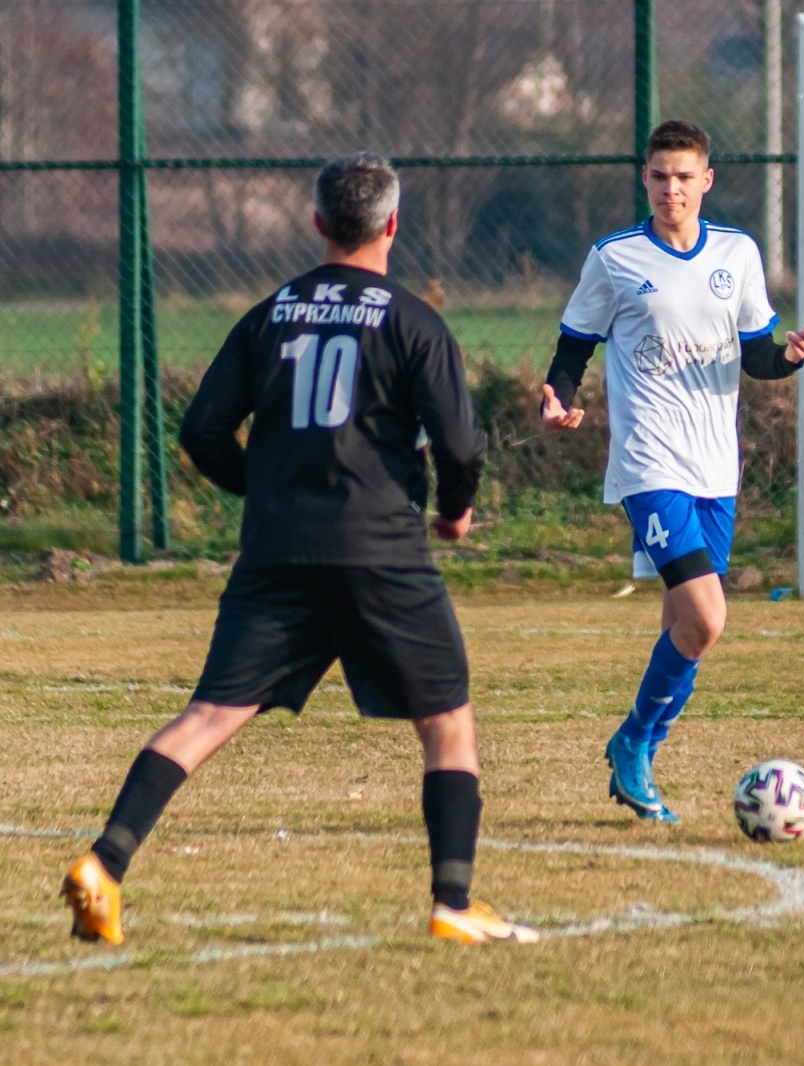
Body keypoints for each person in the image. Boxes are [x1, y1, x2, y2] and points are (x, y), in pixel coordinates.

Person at [60, 154, 538, 947]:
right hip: (380, 548)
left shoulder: (268, 315)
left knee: (210, 714)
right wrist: (456, 511)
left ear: (317, 223)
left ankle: (105, 864)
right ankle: (454, 902)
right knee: (447, 722)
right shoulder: (414, 321)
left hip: (278, 549)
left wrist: (263, 488)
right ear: (392, 224)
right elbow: (460, 441)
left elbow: (200, 432)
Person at [539, 120, 804, 824]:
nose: (671, 188)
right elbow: (575, 345)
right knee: (708, 616)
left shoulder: (738, 253)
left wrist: (788, 356)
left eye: (683, 176)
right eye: (659, 175)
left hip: (714, 467)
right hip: (649, 460)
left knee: (686, 626)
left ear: (707, 181)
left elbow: (756, 354)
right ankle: (635, 742)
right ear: (646, 178)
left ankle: (637, 759)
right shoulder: (615, 257)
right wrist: (559, 397)